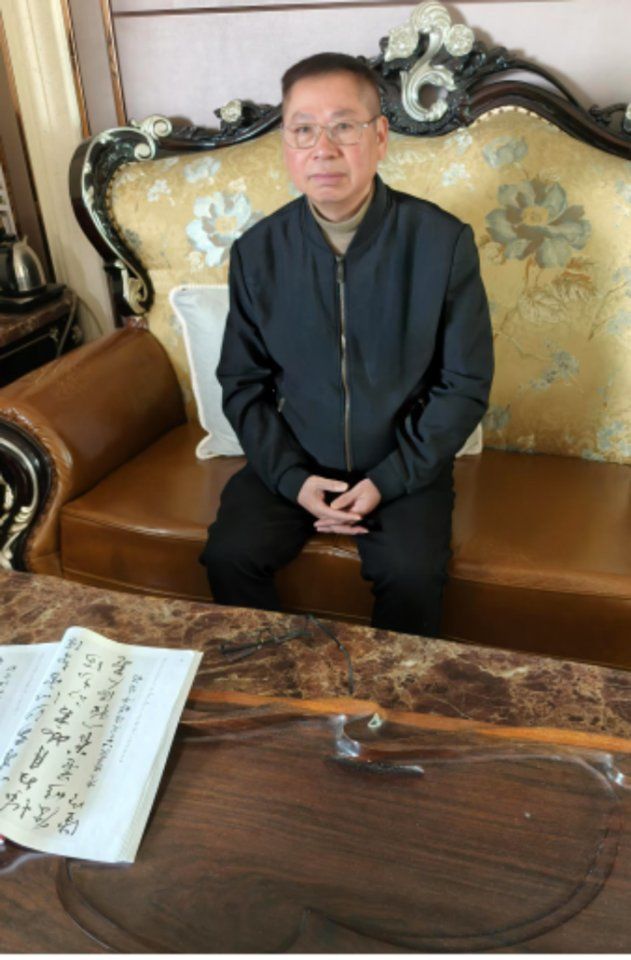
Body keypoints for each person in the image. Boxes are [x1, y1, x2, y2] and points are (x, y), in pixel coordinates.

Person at [200, 52, 494, 637]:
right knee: (230, 556)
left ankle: (388, 697)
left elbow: (464, 384)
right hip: (294, 458)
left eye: (343, 126)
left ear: (380, 137)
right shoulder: (259, 252)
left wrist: (389, 479)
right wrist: (292, 479)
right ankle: (283, 686)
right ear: (287, 145)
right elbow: (242, 383)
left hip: (404, 464)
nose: (323, 148)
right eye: (303, 130)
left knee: (411, 574)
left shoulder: (441, 243)